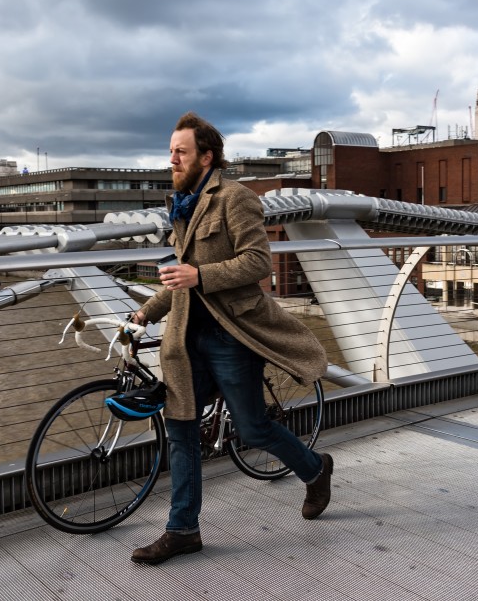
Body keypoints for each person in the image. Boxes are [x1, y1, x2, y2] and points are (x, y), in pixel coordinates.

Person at [128, 112, 333, 565]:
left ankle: (317, 470)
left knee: (253, 428)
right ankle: (183, 531)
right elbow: (180, 279)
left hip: (230, 334)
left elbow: (257, 263)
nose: (172, 160)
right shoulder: (181, 204)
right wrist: (145, 311)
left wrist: (200, 274)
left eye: (180, 152)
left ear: (207, 156)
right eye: (170, 152)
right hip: (186, 338)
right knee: (181, 428)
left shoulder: (235, 198)